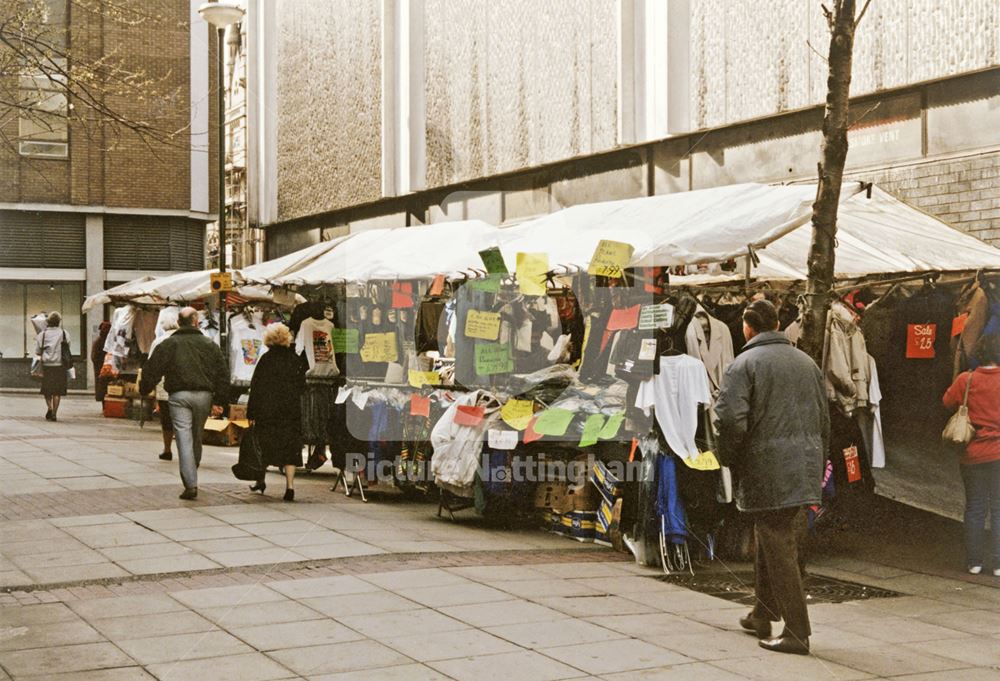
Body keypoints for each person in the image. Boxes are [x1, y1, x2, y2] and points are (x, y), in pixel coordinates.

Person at [714, 299, 829, 655]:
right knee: (769, 534)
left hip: (767, 466)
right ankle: (761, 614)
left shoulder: (743, 364)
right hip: (804, 464)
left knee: (777, 541)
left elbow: (730, 421)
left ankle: (796, 630)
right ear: (777, 323)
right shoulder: (807, 363)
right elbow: (824, 419)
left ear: (747, 328)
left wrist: (727, 459)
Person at [139, 307, 228, 500]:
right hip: (204, 396)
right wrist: (220, 400)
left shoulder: (169, 344)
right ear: (196, 322)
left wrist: (145, 388)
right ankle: (192, 470)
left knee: (183, 438)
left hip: (179, 396)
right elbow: (222, 373)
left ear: (179, 323)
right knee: (196, 435)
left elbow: (152, 369)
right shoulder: (210, 344)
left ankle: (190, 483)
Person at [943, 334, 1000, 577]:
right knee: (998, 508)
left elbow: (947, 402)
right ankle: (998, 564)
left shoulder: (966, 380)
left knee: (975, 506)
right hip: (999, 454)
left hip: (972, 453)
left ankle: (974, 562)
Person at [246, 323, 306, 502]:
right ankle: (290, 487)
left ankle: (260, 480)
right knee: (290, 448)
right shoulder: (295, 360)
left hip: (268, 411)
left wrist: (252, 413)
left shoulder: (266, 359)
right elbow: (302, 386)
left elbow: (255, 387)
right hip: (290, 410)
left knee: (264, 445)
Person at [146, 317, 180, 461]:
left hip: (163, 385)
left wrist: (147, 386)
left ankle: (167, 449)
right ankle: (186, 449)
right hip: (181, 383)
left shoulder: (158, 341)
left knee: (167, 418)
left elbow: (151, 364)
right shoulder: (183, 339)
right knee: (182, 419)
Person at [35, 312, 71, 421]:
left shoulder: (42, 334)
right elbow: (68, 347)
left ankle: (49, 408)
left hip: (47, 365)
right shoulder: (64, 333)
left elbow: (37, 351)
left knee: (47, 389)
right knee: (57, 391)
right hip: (60, 365)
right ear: (59, 322)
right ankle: (55, 412)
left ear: (48, 322)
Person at [91, 321, 112, 402]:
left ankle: (104, 403)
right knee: (104, 387)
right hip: (103, 368)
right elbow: (94, 356)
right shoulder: (101, 341)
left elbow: (93, 356)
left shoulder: (99, 341)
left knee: (102, 387)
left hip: (102, 367)